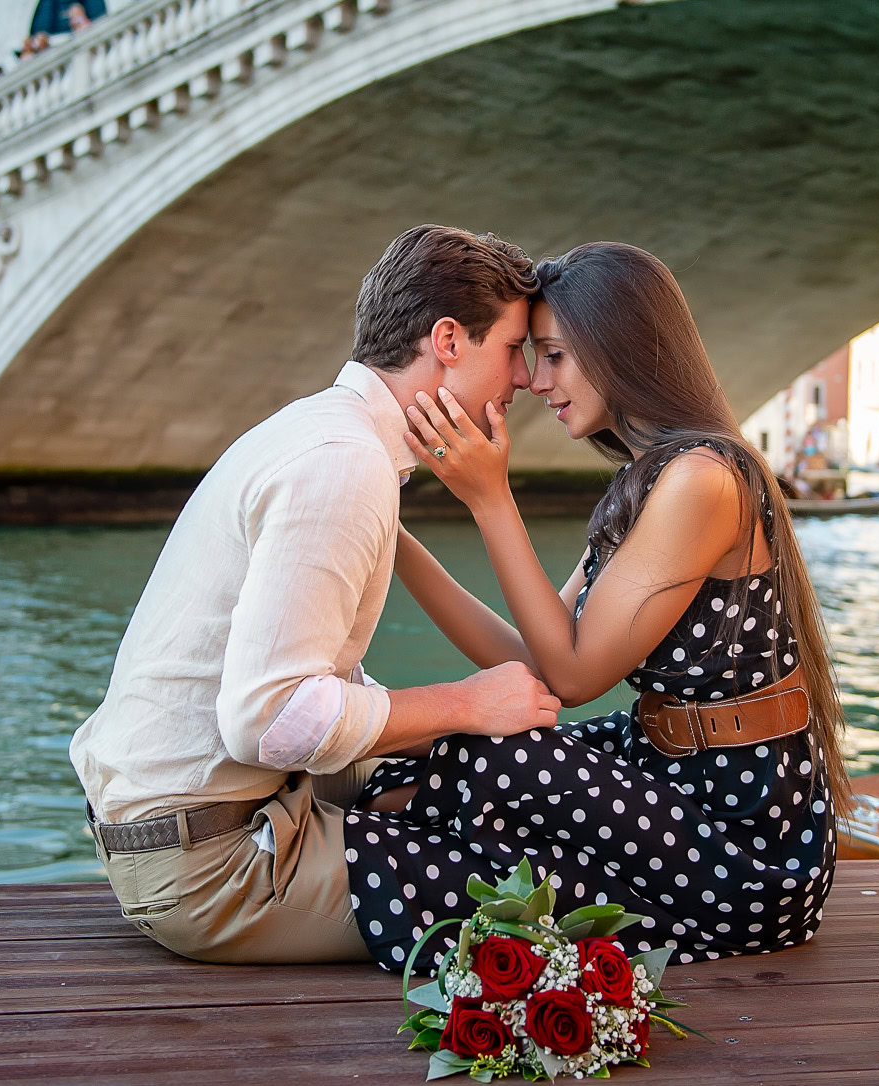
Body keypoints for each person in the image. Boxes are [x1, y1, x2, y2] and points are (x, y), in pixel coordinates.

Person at [345, 242, 848, 972]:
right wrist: (387, 530)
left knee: (497, 754)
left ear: (617, 348)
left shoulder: (705, 478)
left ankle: (331, 875)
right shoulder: (648, 483)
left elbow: (576, 680)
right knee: (446, 744)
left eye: (553, 356)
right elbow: (539, 663)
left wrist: (491, 499)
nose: (534, 381)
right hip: (669, 775)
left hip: (745, 838)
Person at [69, 225, 559, 964]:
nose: (523, 377)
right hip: (210, 868)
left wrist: (461, 727)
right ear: (449, 341)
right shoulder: (342, 464)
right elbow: (268, 720)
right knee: (540, 891)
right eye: (514, 349)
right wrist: (466, 704)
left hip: (192, 821)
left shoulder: (322, 431)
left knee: (489, 774)